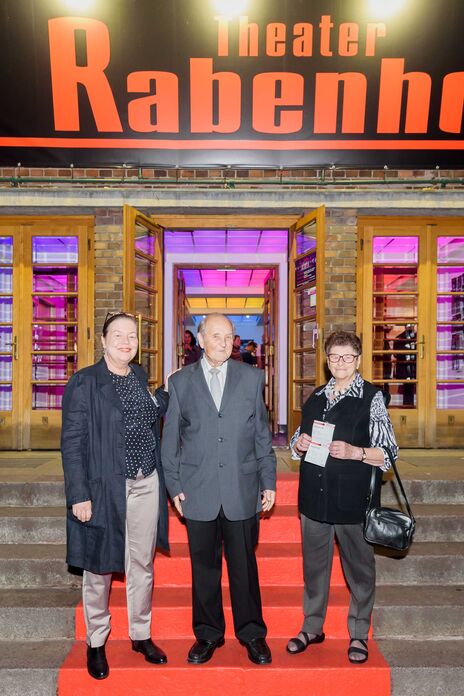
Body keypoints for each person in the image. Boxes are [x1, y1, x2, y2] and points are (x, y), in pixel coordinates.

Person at [161, 313, 276, 666]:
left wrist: (268, 480)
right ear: (200, 339)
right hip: (198, 490)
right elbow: (170, 442)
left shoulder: (252, 378)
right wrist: (174, 485)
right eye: (216, 336)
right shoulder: (180, 382)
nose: (224, 342)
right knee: (204, 570)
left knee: (244, 567)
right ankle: (208, 634)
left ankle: (252, 633)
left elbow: (261, 436)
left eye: (229, 336)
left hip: (242, 488)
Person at [61, 311, 170, 680]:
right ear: (104, 341)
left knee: (142, 562)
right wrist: (79, 494)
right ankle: (96, 641)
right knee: (100, 564)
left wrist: (166, 396)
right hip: (105, 486)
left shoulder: (139, 377)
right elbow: (72, 444)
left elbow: (148, 416)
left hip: (146, 482)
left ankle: (140, 634)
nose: (126, 341)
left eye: (132, 336)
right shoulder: (85, 382)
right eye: (118, 335)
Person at [287, 330, 398, 665]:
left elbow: (389, 453)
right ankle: (312, 627)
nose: (339, 362)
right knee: (314, 569)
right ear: (326, 359)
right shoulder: (316, 396)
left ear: (358, 360)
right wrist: (299, 444)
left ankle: (359, 633)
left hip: (353, 501)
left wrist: (355, 452)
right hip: (314, 500)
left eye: (347, 356)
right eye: (334, 356)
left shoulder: (371, 398)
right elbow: (295, 445)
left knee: (359, 570)